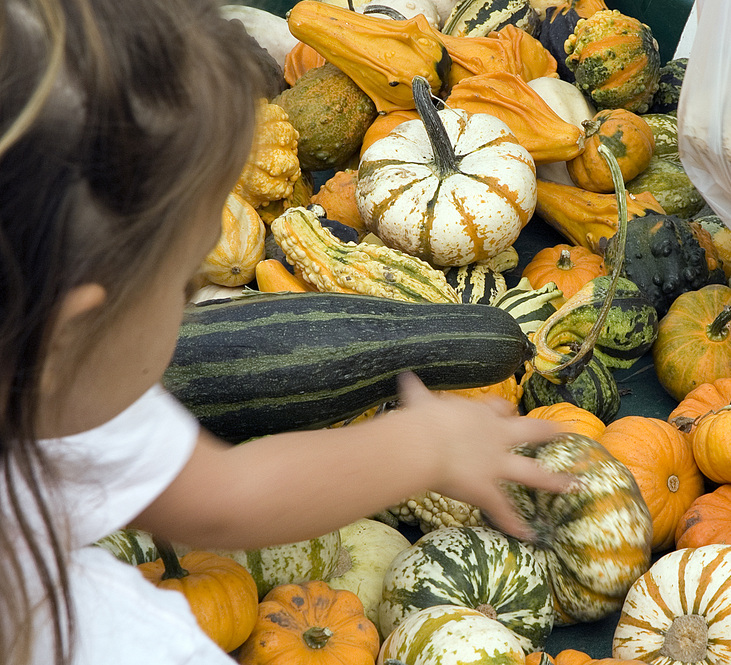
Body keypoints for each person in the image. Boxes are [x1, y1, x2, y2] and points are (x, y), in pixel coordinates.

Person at [0, 0, 570, 663]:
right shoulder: (115, 638)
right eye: (186, 282)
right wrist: (427, 445)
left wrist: (421, 446)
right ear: (70, 331)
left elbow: (226, 494)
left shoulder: (55, 385)